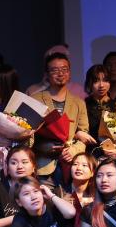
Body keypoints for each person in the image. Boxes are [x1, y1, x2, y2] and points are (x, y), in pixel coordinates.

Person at [30, 52, 92, 187]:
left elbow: (84, 133)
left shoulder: (79, 103)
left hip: (70, 166)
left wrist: (73, 150)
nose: (60, 74)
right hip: (43, 166)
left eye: (64, 69)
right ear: (47, 74)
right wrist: (44, 147)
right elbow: (27, 133)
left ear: (69, 73)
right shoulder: (35, 99)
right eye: (55, 70)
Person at [84, 64, 116, 144]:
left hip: (113, 149)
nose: (101, 85)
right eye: (96, 81)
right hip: (88, 148)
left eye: (105, 80)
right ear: (89, 83)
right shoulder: (82, 105)